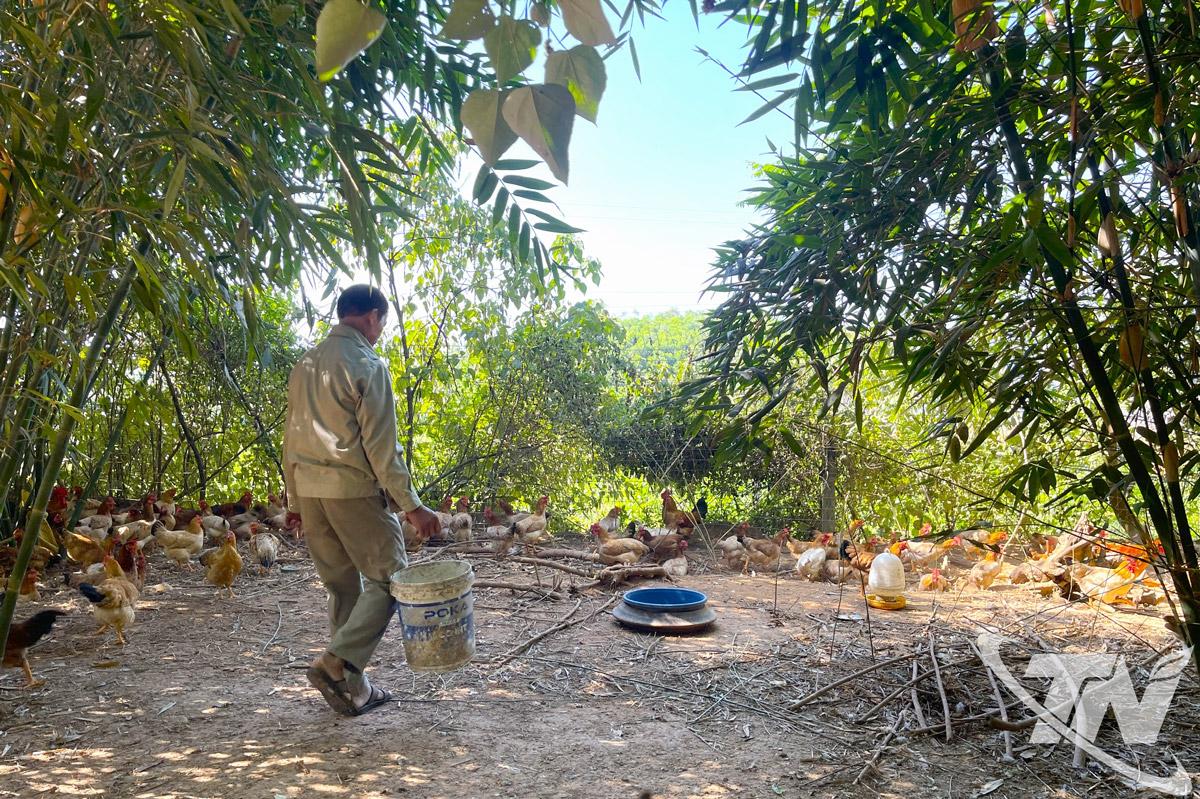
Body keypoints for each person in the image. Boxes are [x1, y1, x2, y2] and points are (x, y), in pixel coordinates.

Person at [283, 284, 441, 716]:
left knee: (341, 587)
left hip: (310, 490)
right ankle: (336, 662)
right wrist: (412, 506)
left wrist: (295, 502)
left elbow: (290, 438)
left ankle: (351, 688)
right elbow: (382, 449)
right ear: (372, 317)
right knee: (392, 579)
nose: (379, 333)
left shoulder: (306, 363)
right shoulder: (367, 364)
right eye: (381, 324)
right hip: (351, 489)